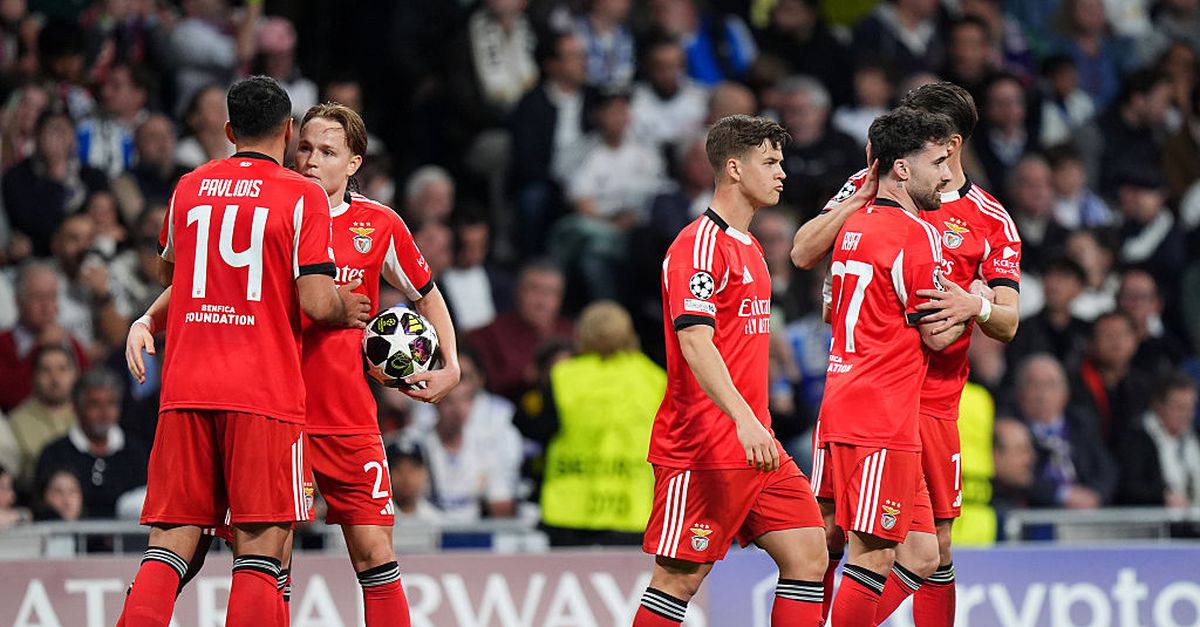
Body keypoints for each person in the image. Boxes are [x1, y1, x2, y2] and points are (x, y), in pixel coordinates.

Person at [126, 101, 457, 625]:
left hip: (345, 416)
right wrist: (147, 318)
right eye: (305, 146)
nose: (310, 159)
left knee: (375, 554)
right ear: (288, 140)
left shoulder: (378, 224)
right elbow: (201, 281)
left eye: (328, 151)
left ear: (353, 163)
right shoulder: (276, 207)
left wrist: (452, 364)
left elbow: (427, 292)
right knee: (268, 557)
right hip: (276, 415)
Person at [117, 76, 369, 627]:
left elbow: (176, 275)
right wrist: (343, 309)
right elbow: (316, 300)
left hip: (184, 390)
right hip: (263, 395)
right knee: (259, 550)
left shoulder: (189, 186)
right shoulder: (302, 195)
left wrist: (147, 318)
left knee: (171, 544)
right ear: (288, 130)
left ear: (229, 131)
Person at [793, 82, 1021, 626]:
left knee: (932, 550)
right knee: (834, 530)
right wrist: (858, 198)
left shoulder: (991, 219)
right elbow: (803, 250)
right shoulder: (874, 187)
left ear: (951, 142)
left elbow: (1008, 321)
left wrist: (975, 305)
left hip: (929, 402)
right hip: (880, 393)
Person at [633, 115, 827, 627]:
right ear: (735, 169)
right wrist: (743, 419)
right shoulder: (697, 246)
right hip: (703, 446)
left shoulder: (752, 248)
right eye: (771, 162)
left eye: (781, 162)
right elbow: (694, 342)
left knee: (810, 554)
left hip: (755, 443)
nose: (782, 173)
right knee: (679, 578)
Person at [817, 108, 966, 626]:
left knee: (922, 554)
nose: (947, 176)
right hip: (878, 415)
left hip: (856, 402)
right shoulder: (916, 234)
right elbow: (936, 336)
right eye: (937, 163)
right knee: (873, 553)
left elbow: (834, 304)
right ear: (901, 169)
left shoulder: (854, 224)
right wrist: (973, 307)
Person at [536, 301, 663, 546]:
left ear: (582, 334)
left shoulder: (563, 376)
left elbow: (541, 429)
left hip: (570, 508)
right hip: (633, 508)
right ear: (629, 334)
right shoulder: (654, 378)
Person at [34, 368, 147, 519]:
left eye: (111, 404)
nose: (104, 412)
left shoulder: (136, 453)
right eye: (95, 405)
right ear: (76, 408)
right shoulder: (54, 454)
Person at [8, 345, 78, 488]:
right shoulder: (17, 421)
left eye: (63, 369)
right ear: (34, 376)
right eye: (46, 370)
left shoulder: (89, 415)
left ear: (75, 373)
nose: (55, 378)